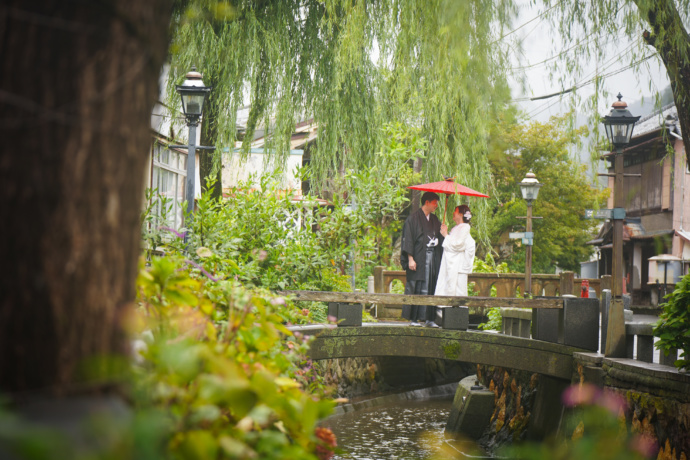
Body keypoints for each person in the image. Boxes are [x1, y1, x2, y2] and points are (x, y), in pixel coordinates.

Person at [400, 191, 445, 327]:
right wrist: (410, 258)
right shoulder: (412, 219)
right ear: (427, 202)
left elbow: (440, 237)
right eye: (435, 203)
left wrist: (441, 235)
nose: (436, 206)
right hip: (418, 260)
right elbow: (408, 239)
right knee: (417, 287)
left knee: (431, 286)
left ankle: (429, 319)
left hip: (432, 260)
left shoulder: (435, 219)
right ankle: (414, 319)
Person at [436, 205, 476, 298]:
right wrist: (445, 233)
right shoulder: (456, 228)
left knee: (459, 290)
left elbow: (458, 245)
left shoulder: (465, 227)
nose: (453, 213)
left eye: (455, 211)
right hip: (453, 263)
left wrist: (446, 235)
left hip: (459, 264)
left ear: (461, 214)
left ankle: (458, 310)